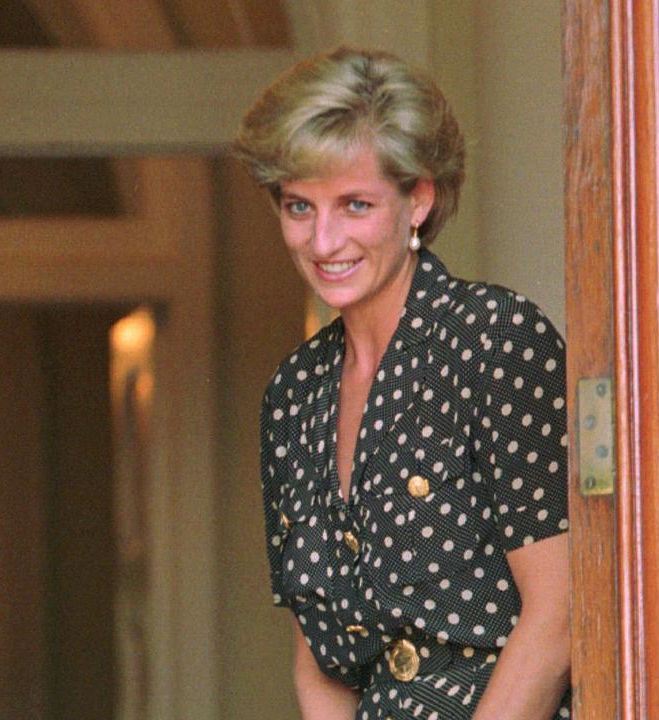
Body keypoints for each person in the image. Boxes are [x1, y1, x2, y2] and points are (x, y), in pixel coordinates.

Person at [235, 47, 571, 719]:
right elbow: (318, 663)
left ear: (417, 200)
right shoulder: (294, 395)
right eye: (299, 207)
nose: (323, 241)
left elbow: (560, 614)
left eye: (354, 204)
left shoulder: (493, 338)